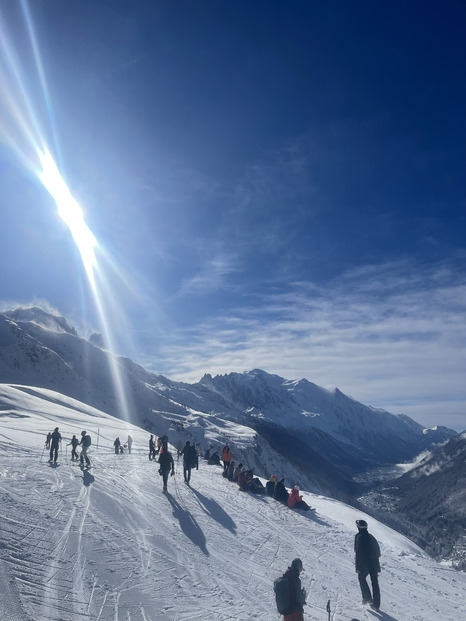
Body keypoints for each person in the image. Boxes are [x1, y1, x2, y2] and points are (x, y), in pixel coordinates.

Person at [354, 519, 381, 611]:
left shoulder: (359, 537)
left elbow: (359, 554)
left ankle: (367, 598)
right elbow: (378, 552)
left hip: (364, 564)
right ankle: (376, 604)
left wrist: (358, 567)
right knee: (375, 583)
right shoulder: (371, 537)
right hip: (374, 563)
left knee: (361, 578)